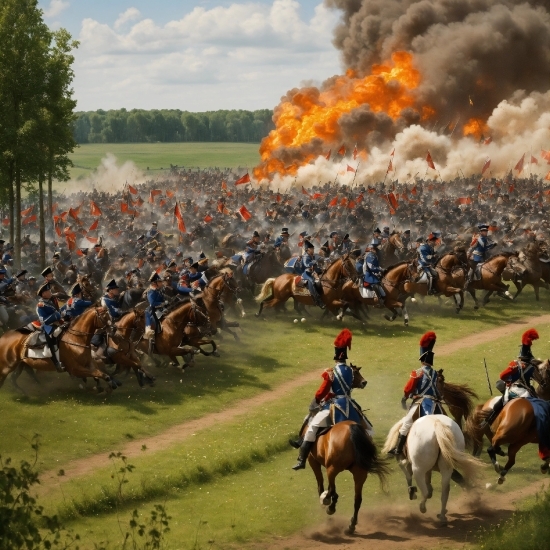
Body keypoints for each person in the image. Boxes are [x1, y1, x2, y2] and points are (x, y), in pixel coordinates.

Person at [290, 329, 371, 470]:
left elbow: (323, 390)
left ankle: (301, 459)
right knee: (369, 429)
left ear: (336, 357)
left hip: (334, 406)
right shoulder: (352, 371)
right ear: (345, 356)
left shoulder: (331, 372)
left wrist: (316, 399)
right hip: (350, 404)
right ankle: (369, 456)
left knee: (312, 428)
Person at [388, 331, 444, 457]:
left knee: (406, 423)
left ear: (422, 359)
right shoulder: (435, 373)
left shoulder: (417, 372)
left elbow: (409, 388)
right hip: (435, 403)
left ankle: (398, 449)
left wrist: (405, 397)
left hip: (421, 402)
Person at [480, 329, 539, 429]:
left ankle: (488, 420)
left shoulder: (514, 364)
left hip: (514, 390)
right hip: (528, 391)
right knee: (538, 404)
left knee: (500, 403)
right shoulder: (532, 367)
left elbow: (502, 376)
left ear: (520, 356)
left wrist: (508, 381)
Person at [36, 283, 65, 372]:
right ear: (43, 294)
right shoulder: (41, 305)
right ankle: (57, 363)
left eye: (49, 290)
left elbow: (59, 310)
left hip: (59, 323)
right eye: (48, 291)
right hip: (49, 327)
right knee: (52, 340)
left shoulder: (51, 301)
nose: (50, 292)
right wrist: (57, 315)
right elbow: (44, 320)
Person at [465, 224, 497, 288]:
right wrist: (492, 245)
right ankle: (468, 281)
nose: (486, 232)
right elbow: (483, 248)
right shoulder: (479, 238)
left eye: (486, 231)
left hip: (482, 256)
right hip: (476, 256)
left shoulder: (485, 238)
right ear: (481, 232)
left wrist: (493, 245)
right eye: (485, 231)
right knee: (473, 268)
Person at [301, 240, 324, 309]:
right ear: (308, 249)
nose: (313, 250)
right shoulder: (305, 256)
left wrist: (326, 259)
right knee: (312, 282)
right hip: (307, 273)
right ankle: (317, 300)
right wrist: (314, 262)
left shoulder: (313, 255)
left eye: (313, 248)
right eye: (312, 249)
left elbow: (320, 258)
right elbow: (307, 264)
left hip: (314, 272)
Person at [362, 240, 386, 305]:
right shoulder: (370, 255)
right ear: (372, 249)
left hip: (374, 273)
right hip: (369, 275)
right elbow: (371, 267)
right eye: (375, 248)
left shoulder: (373, 255)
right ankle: (379, 300)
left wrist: (380, 269)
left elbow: (376, 265)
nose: (377, 249)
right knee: (375, 284)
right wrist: (380, 270)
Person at [145, 272, 167, 339]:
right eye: (159, 282)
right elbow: (153, 303)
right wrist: (162, 303)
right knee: (154, 325)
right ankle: (152, 341)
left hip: (161, 309)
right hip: (153, 311)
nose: (161, 283)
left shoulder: (158, 291)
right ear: (155, 283)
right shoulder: (151, 292)